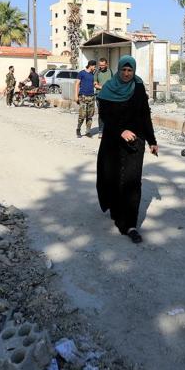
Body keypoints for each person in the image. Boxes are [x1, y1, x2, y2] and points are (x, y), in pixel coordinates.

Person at [96, 56, 158, 244]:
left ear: (134, 71)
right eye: (123, 69)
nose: (126, 73)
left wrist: (152, 140)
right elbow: (104, 116)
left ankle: (129, 224)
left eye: (130, 70)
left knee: (132, 181)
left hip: (135, 141)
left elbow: (145, 114)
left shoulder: (138, 87)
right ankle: (117, 211)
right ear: (119, 69)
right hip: (113, 140)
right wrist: (121, 131)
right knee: (113, 178)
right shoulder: (108, 89)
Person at [75, 60, 97, 137]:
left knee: (90, 115)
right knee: (82, 115)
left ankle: (88, 131)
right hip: (83, 96)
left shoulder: (92, 74)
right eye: (94, 66)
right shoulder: (81, 73)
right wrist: (76, 96)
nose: (95, 68)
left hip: (91, 97)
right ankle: (78, 129)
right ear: (90, 65)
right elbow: (77, 84)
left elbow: (94, 84)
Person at [93, 57, 113, 138]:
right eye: (100, 65)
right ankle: (101, 131)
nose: (101, 67)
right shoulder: (97, 73)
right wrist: (104, 87)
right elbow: (95, 84)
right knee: (101, 114)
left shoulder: (110, 71)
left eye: (103, 65)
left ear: (106, 64)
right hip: (99, 96)